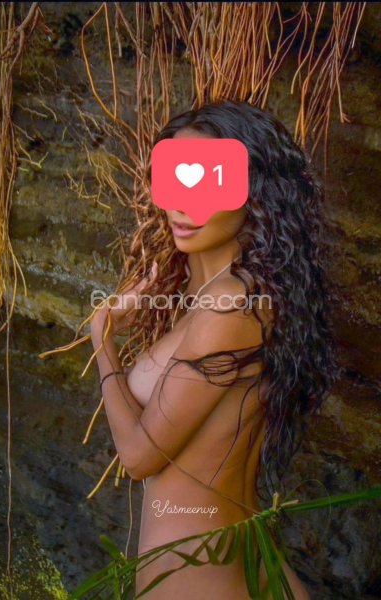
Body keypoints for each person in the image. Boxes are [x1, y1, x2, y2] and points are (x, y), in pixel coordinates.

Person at [90, 100, 336, 599]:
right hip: (234, 555)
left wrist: (103, 336)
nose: (183, 205)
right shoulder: (234, 293)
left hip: (192, 571)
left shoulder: (229, 306)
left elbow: (138, 458)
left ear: (256, 193)